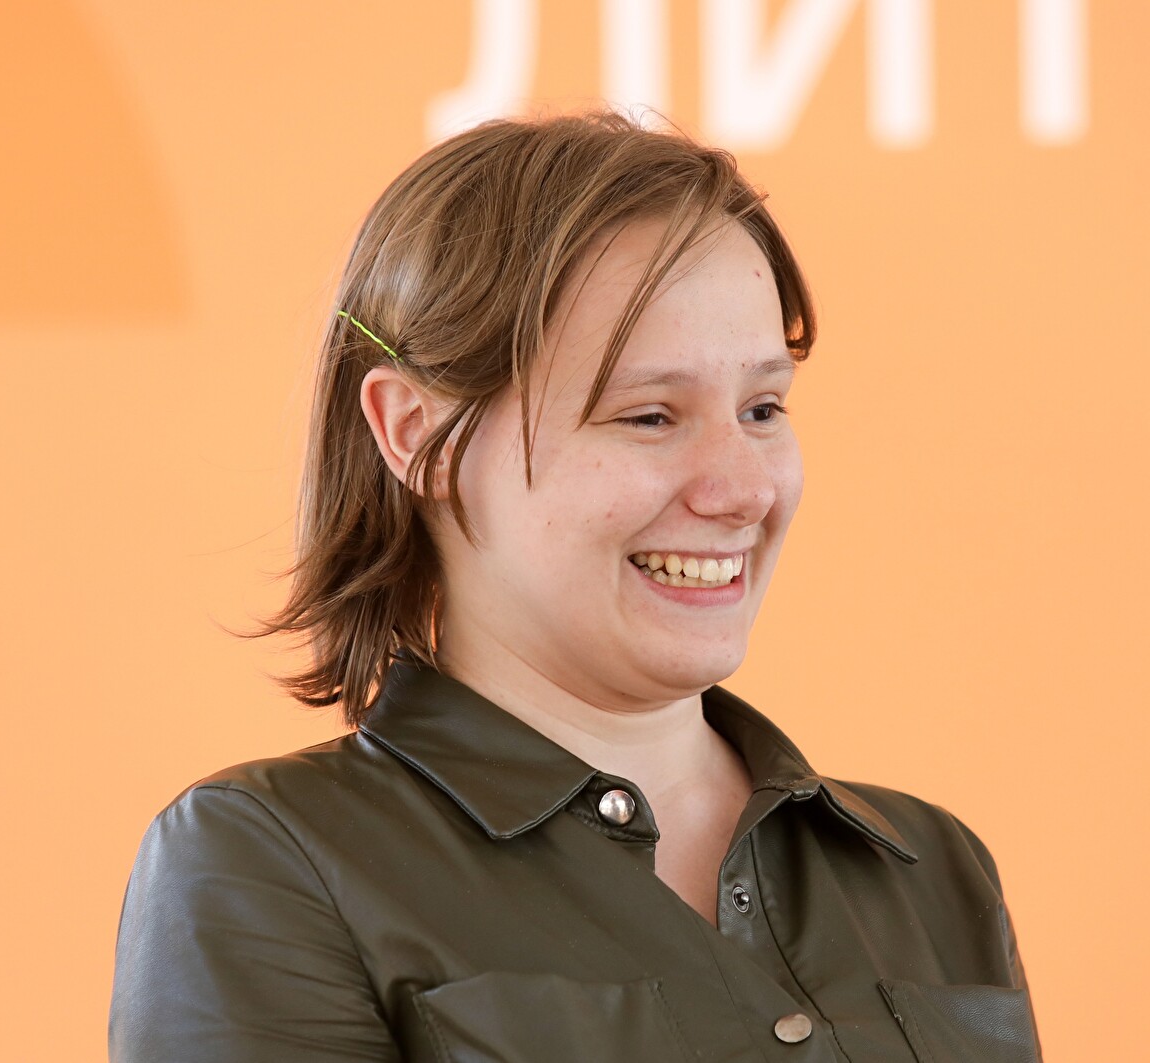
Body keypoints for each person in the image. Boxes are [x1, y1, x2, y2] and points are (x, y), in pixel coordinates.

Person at [109, 109, 1043, 1062]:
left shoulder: (931, 870)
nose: (743, 488)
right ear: (418, 435)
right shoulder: (269, 862)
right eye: (649, 416)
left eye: (763, 408)